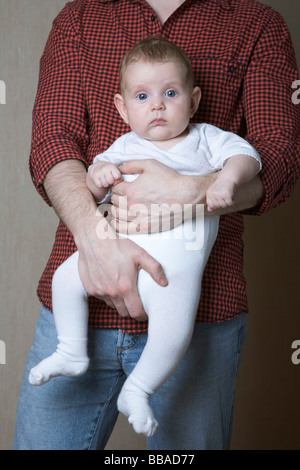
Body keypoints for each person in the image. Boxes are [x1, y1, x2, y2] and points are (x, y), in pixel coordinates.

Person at [14, 0, 300, 450]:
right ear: (124, 109)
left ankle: (139, 389)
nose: (159, 107)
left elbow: (276, 153)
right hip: (93, 275)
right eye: (143, 97)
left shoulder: (253, 30)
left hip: (196, 296)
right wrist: (97, 225)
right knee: (66, 281)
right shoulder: (80, 21)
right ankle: (70, 350)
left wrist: (204, 189)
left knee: (174, 328)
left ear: (194, 99)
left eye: (171, 94)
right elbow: (53, 141)